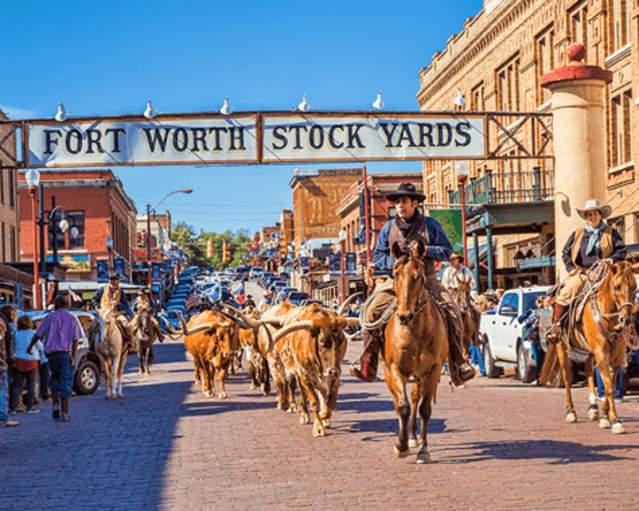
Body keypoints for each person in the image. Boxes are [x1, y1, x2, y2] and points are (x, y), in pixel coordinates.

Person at [350, 182, 475, 385]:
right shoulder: (388, 228)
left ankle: (458, 364)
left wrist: (426, 250)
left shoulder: (430, 225)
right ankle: (368, 362)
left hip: (426, 279)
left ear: (415, 203)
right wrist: (396, 263)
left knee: (452, 311)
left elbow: (446, 250)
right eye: (397, 202)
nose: (400, 205)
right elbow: (378, 256)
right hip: (397, 281)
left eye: (405, 201)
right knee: (370, 310)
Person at [547, 199, 626, 342]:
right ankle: (556, 326)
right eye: (589, 214)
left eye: (595, 213)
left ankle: (629, 327)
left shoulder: (611, 232)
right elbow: (565, 252)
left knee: (625, 293)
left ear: (600, 215)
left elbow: (622, 251)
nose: (592, 217)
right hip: (583, 273)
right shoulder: (578, 233)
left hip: (605, 272)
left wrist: (611, 260)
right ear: (586, 217)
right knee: (566, 292)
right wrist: (571, 269)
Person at [28, 294, 83, 421]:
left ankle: (55, 405)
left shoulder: (49, 317)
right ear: (66, 306)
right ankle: (65, 412)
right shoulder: (72, 318)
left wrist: (30, 347)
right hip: (65, 354)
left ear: (56, 306)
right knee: (65, 381)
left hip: (51, 355)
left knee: (54, 379)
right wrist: (73, 356)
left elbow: (38, 335)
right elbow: (75, 340)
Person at [10, 316, 40, 414]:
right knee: (30, 385)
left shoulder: (15, 334)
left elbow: (12, 346)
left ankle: (14, 408)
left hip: (19, 361)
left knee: (16, 386)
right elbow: (40, 347)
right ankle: (30, 407)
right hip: (31, 361)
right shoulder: (33, 333)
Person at [0, 306, 18, 427]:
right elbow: (3, 346)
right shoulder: (2, 324)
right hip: (1, 363)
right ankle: (2, 417)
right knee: (2, 389)